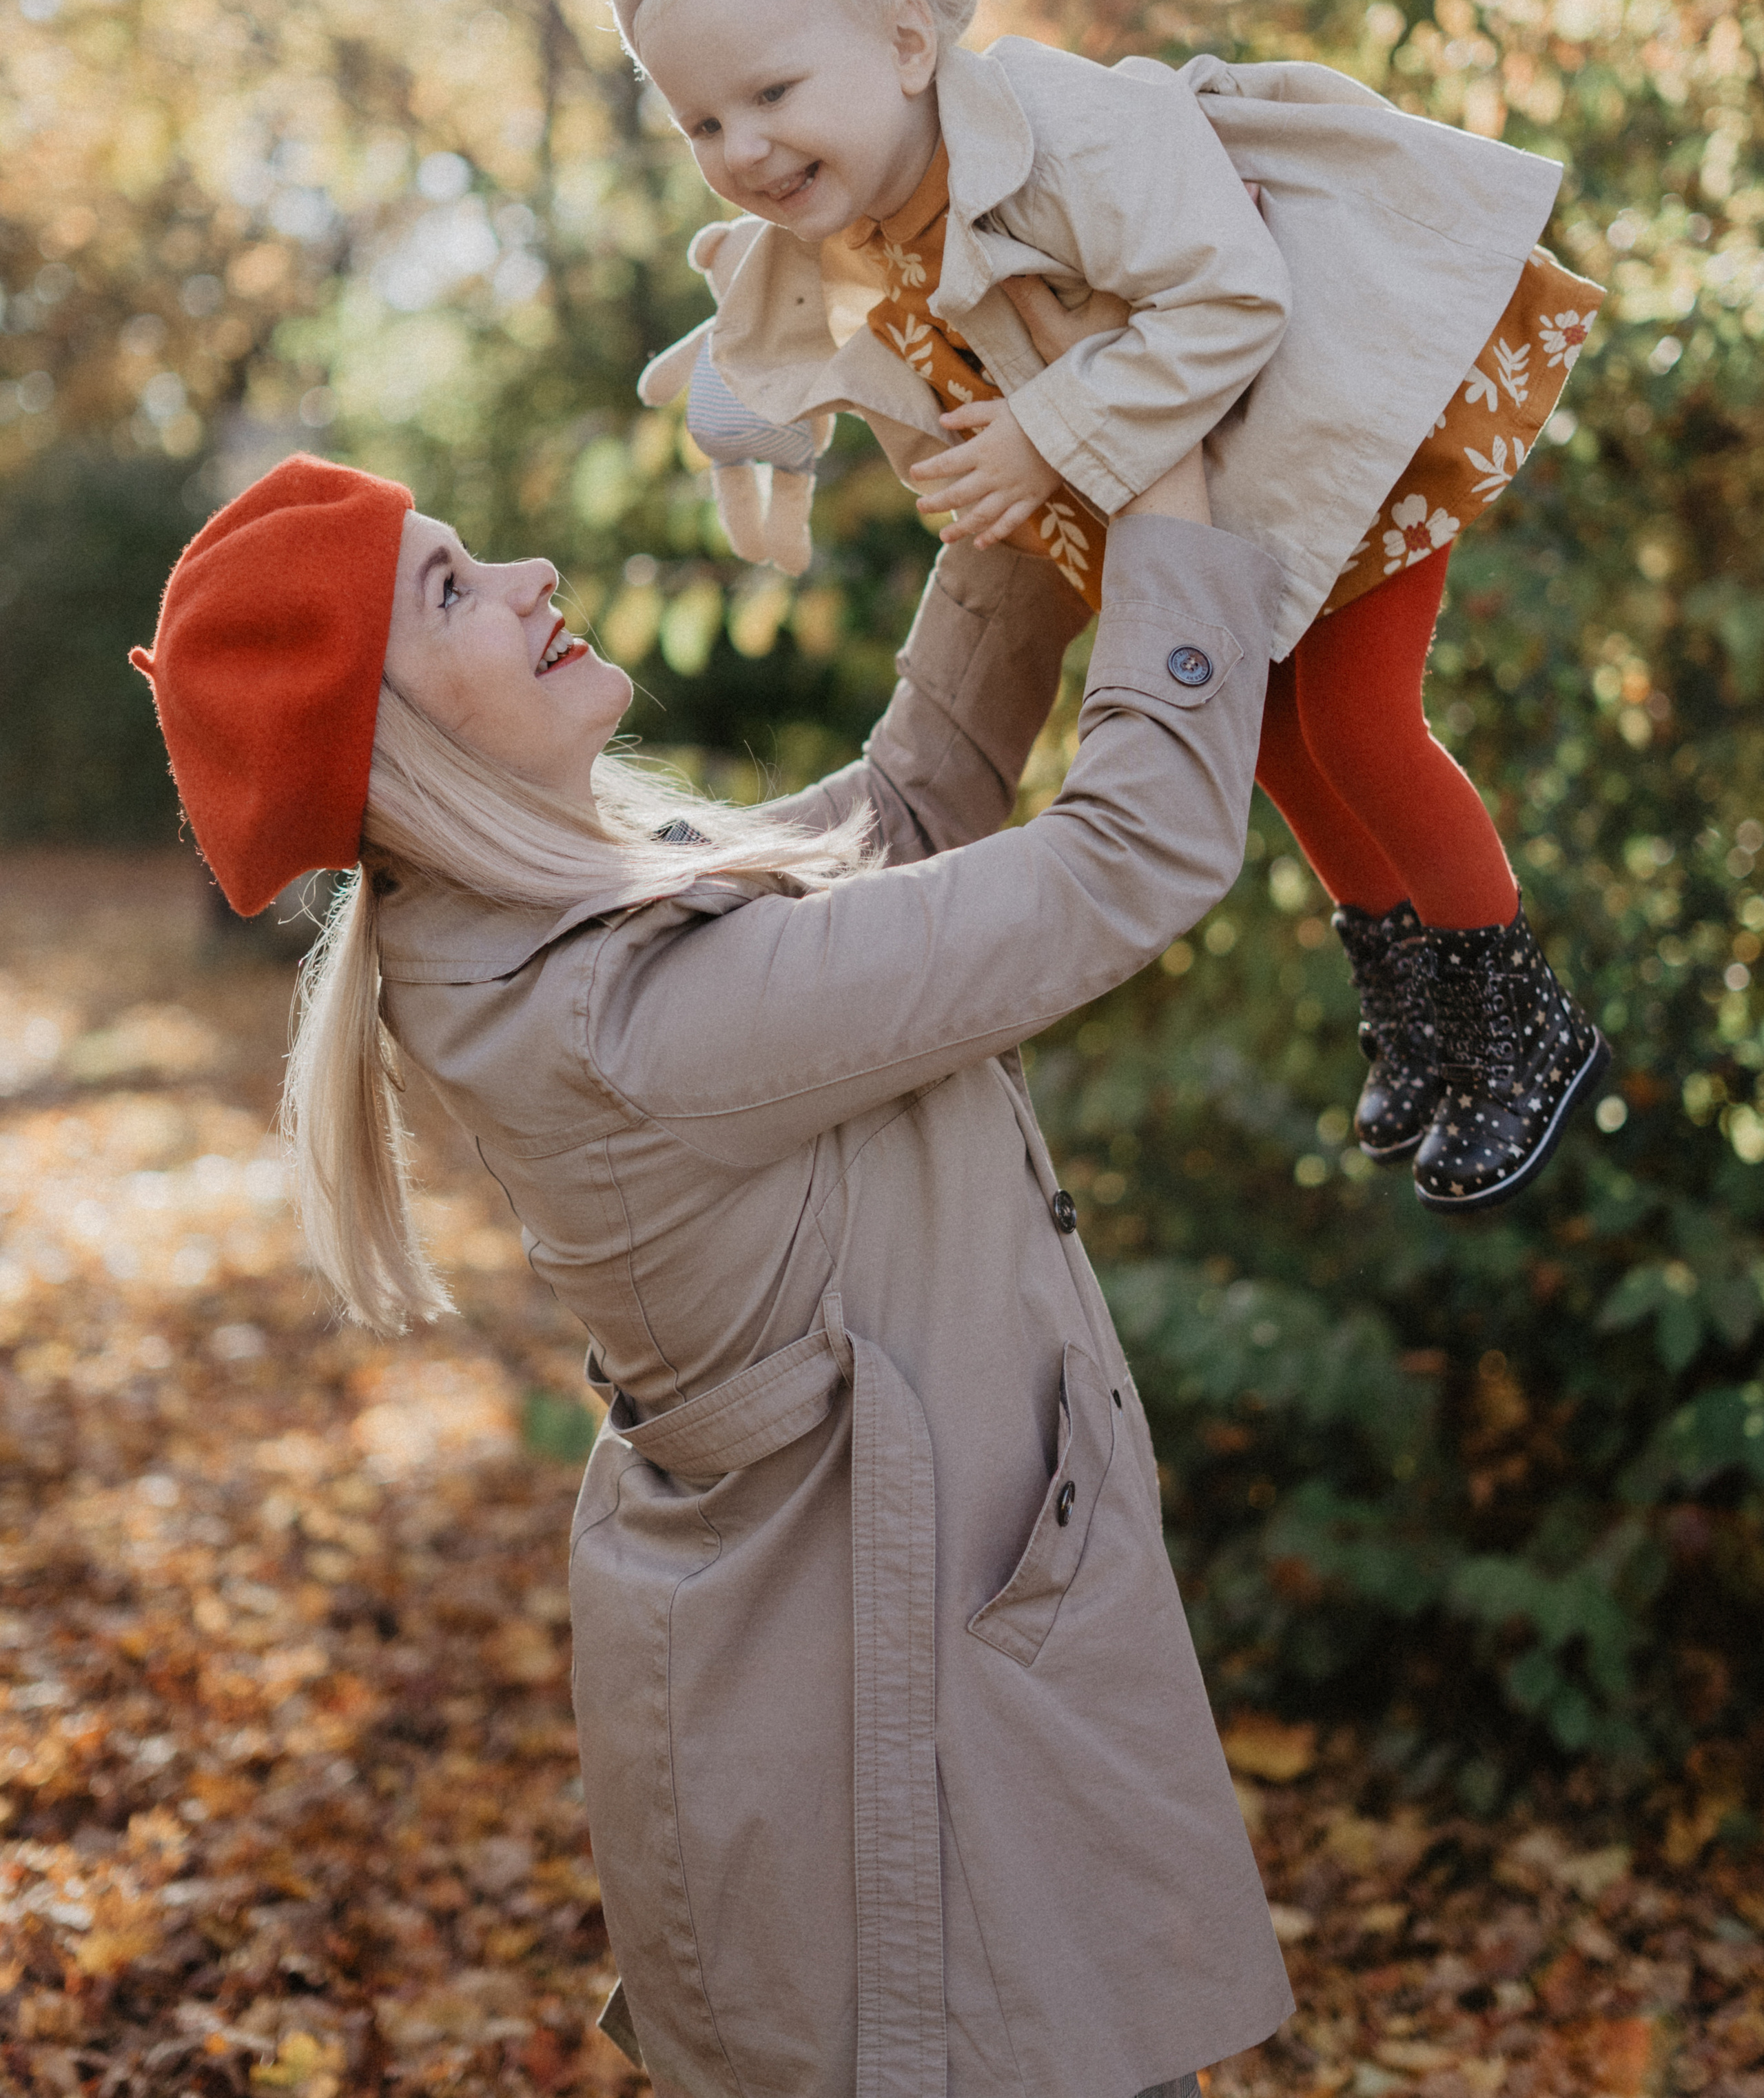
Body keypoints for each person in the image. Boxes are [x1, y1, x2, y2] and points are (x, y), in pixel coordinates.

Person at [130, 444, 1295, 2098]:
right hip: (890, 1710)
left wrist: (1027, 493)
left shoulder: (562, 916)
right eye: (451, 590)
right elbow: (1122, 862)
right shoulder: (615, 1016)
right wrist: (1157, 478)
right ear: (389, 747)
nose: (529, 577)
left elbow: (905, 811)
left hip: (874, 1647)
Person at [611, 0, 1610, 1214]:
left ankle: (1510, 1003)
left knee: (1359, 721)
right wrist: (748, 388)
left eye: (771, 91)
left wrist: (1042, 435)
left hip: (1347, 397)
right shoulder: (858, 207)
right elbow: (779, 308)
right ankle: (1407, 977)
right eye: (703, 122)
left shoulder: (1068, 129)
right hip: (1231, 463)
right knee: (1262, 731)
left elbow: (1235, 297)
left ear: (909, 46)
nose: (743, 145)